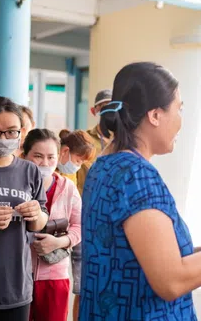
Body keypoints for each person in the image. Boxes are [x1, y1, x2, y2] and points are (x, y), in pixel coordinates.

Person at [79, 62, 201, 320]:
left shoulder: (102, 167)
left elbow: (136, 257)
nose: (181, 120)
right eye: (179, 109)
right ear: (155, 115)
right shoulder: (137, 177)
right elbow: (170, 282)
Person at [0, 96, 48, 320]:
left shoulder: (30, 171)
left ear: (21, 132)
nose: (3, 139)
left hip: (17, 288)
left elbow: (41, 221)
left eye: (11, 131)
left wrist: (36, 215)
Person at [22, 128, 82, 321]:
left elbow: (79, 226)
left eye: (51, 157)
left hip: (55, 277)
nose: (45, 163)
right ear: (24, 155)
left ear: (60, 156)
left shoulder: (68, 188)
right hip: (19, 275)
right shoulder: (16, 187)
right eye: (38, 156)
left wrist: (60, 242)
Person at [72, 90, 111, 320]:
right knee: (85, 285)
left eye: (112, 106)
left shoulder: (127, 140)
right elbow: (75, 183)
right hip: (88, 223)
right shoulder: (84, 141)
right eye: (102, 107)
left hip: (116, 223)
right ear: (94, 111)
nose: (107, 112)